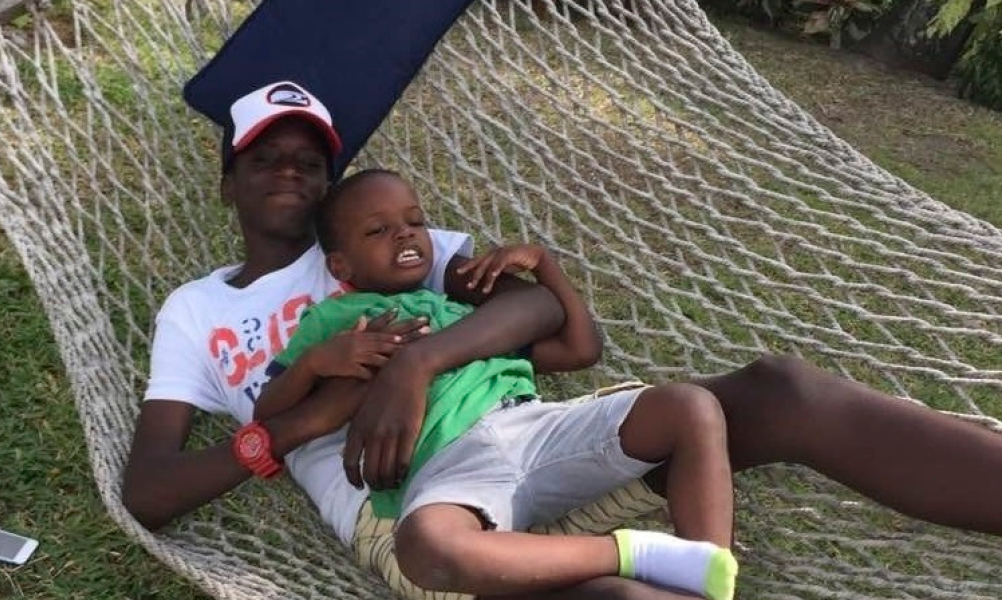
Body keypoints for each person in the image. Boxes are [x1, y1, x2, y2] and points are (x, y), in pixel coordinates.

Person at [121, 80, 1002, 600]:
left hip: (527, 439)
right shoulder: (197, 311)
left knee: (783, 390)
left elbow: (539, 315)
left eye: (309, 161)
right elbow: (151, 490)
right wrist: (304, 421)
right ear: (227, 181)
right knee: (609, 599)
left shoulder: (384, 244)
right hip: (412, 508)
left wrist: (418, 362)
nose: (289, 172)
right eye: (264, 159)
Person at [252, 168, 738, 599]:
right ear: (341, 267)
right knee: (424, 547)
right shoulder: (334, 320)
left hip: (533, 427)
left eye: (415, 222)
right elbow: (267, 415)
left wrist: (544, 264)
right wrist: (315, 362)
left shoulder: (462, 312)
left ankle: (704, 576)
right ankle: (631, 554)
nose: (405, 233)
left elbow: (580, 349)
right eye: (378, 230)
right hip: (447, 470)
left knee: (688, 406)